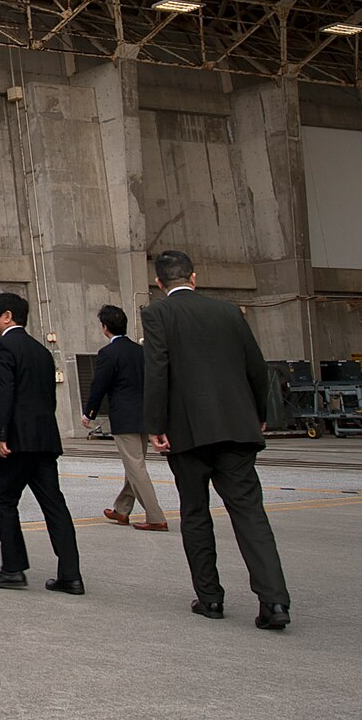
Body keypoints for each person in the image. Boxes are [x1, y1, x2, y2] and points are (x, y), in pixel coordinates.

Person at [143, 249, 290, 629]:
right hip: (237, 429)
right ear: (194, 277)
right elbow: (256, 367)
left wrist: (155, 425)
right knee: (250, 513)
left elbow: (157, 370)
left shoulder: (158, 313)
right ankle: (274, 602)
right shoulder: (229, 312)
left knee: (195, 513)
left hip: (187, 432)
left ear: (159, 283)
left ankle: (210, 598)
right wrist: (259, 414)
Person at [0, 291, 82, 594]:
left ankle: (12, 569)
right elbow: (48, 398)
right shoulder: (41, 351)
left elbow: (3, 393)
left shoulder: (2, 348)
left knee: (4, 499)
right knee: (54, 505)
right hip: (44, 440)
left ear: (7, 316)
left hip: (16, 443)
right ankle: (71, 575)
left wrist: (0, 435)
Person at [81, 304, 164, 530]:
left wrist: (89, 413)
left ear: (104, 327)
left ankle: (155, 517)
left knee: (136, 467)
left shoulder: (108, 353)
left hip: (124, 418)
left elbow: (99, 385)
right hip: (145, 416)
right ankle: (122, 509)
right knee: (134, 465)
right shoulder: (141, 351)